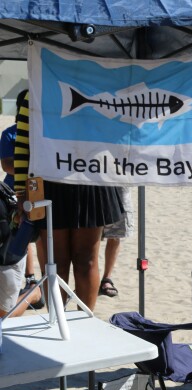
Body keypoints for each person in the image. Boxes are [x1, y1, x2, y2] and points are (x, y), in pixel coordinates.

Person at [14, 92, 125, 311]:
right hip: (48, 182)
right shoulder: (35, 90)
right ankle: (57, 323)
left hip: (93, 178)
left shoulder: (102, 90)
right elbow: (23, 142)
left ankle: (86, 322)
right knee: (56, 262)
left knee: (86, 259)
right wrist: (21, 191)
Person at [0, 88, 43, 308]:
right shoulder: (10, 133)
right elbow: (7, 164)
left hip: (38, 188)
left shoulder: (42, 131)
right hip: (13, 192)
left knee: (39, 234)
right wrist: (29, 164)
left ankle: (34, 280)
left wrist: (25, 163)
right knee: (20, 233)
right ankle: (30, 280)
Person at [99, 186, 134, 297]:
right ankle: (89, 279)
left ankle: (107, 278)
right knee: (89, 237)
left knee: (115, 235)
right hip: (93, 184)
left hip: (119, 184)